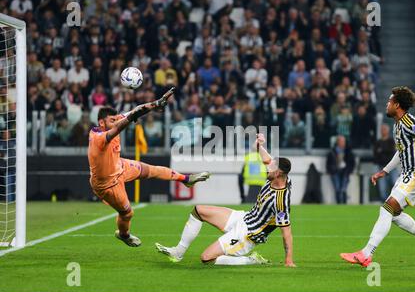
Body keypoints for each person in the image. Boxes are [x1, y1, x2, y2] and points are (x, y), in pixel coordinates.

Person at [88, 87, 210, 247]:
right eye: (112, 120)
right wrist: (132, 117)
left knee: (151, 170)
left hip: (119, 166)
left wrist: (156, 103)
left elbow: (135, 110)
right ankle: (124, 235)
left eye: (116, 119)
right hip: (107, 184)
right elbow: (122, 125)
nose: (116, 122)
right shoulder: (98, 138)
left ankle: (186, 179)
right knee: (127, 213)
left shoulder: (113, 123)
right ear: (101, 123)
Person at [156, 133, 296, 267]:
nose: (266, 168)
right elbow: (267, 159)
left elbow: (286, 232)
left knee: (207, 258)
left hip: (247, 234)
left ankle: (250, 260)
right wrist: (260, 145)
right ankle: (178, 252)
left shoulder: (280, 200)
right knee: (198, 210)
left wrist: (288, 260)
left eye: (270, 168)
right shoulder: (279, 177)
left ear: (278, 173)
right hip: (244, 217)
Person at [341, 86, 415, 267]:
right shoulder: (398, 125)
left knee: (386, 209)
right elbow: (401, 151)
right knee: (393, 214)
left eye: (389, 101)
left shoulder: (409, 121)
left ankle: (366, 254)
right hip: (406, 174)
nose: (386, 104)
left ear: (397, 105)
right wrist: (384, 171)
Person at [373, 124, 398, 201]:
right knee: (382, 187)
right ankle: (385, 202)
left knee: (395, 184)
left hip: (391, 167)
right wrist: (383, 151)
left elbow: (391, 152)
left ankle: (395, 201)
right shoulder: (378, 142)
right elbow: (375, 154)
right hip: (381, 167)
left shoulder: (391, 141)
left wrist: (382, 151)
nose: (383, 131)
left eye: (384, 129)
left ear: (388, 131)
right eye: (382, 129)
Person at [326, 135, 355, 204]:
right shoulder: (332, 151)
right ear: (338, 142)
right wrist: (331, 171)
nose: (343, 143)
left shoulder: (348, 151)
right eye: (341, 141)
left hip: (345, 172)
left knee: (343, 189)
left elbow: (352, 163)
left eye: (343, 141)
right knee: (337, 189)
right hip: (335, 172)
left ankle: (344, 204)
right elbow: (328, 163)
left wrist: (349, 171)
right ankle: (338, 204)